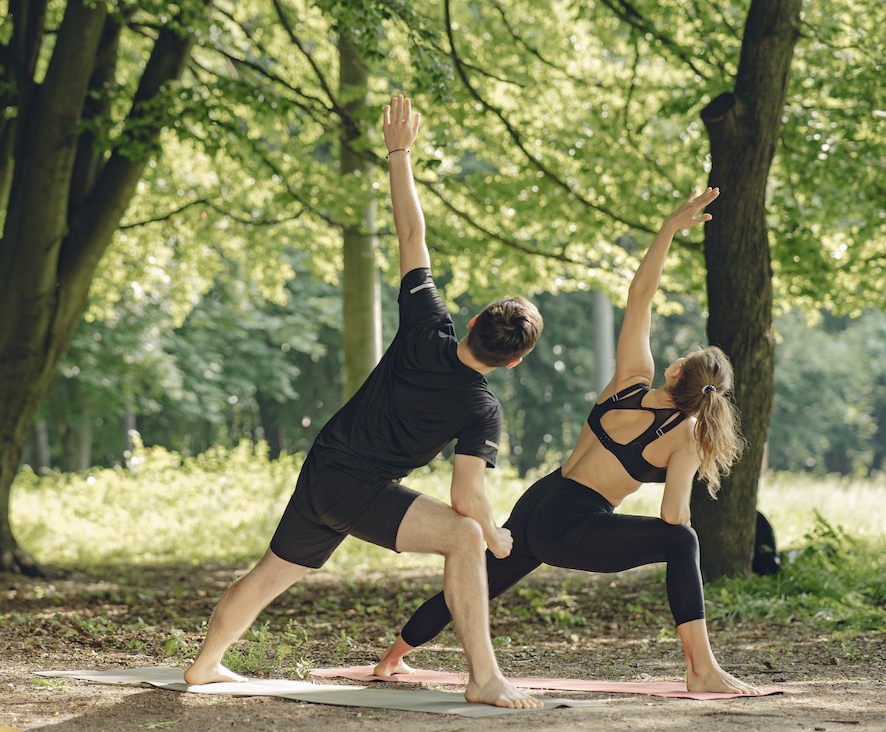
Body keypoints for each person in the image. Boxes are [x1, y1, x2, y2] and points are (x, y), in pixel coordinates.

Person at [183, 94, 545, 709]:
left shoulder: (427, 323)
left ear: (477, 318)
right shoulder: (481, 408)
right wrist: (493, 533)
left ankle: (205, 664)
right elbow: (466, 499)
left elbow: (410, 231)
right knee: (464, 537)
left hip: (324, 466)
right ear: (513, 361)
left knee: (275, 572)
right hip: (359, 489)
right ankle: (484, 678)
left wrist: (399, 152)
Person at [375, 186, 763, 696]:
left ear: (675, 370)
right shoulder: (685, 436)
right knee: (682, 541)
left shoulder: (629, 380)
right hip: (574, 524)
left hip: (542, 499)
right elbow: (673, 519)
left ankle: (391, 659)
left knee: (482, 578)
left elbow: (640, 296)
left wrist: (668, 228)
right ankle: (701, 669)